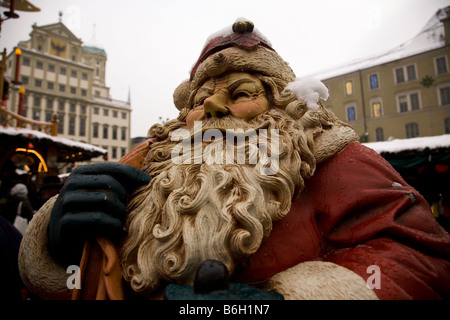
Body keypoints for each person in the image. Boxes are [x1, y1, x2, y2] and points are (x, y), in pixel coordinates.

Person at [19, 19, 450, 300]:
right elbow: (73, 282)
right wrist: (58, 246)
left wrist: (291, 299)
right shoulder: (150, 162)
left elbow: (423, 259)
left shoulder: (333, 158)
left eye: (241, 92)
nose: (213, 107)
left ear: (279, 104)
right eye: (202, 98)